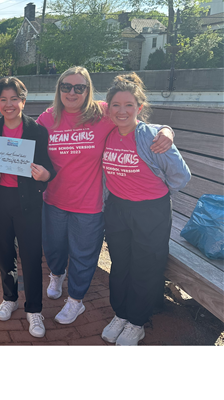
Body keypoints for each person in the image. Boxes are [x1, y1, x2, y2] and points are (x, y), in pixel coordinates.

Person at [36, 66, 174, 325]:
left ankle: (76, 301)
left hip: (89, 204)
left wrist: (166, 130)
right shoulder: (48, 118)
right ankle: (57, 274)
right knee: (54, 247)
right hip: (54, 200)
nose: (72, 92)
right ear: (59, 90)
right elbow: (24, 133)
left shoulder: (102, 114)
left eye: (80, 87)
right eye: (66, 86)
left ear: (88, 90)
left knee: (83, 254)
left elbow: (134, 119)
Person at [101, 73, 190, 345]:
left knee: (145, 266)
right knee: (120, 264)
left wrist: (153, 194)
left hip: (150, 211)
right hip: (117, 209)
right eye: (116, 105)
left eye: (129, 105)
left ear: (139, 108)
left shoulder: (152, 137)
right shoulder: (108, 132)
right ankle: (121, 313)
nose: (122, 111)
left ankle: (138, 321)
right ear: (108, 108)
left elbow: (181, 177)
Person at [0, 77, 56, 338]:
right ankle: (9, 297)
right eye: (3, 99)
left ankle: (34, 308)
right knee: (4, 253)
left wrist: (44, 175)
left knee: (32, 256)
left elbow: (49, 167)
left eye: (14, 99)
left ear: (23, 101)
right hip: (0, 200)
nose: (8, 104)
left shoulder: (36, 131)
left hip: (28, 203)